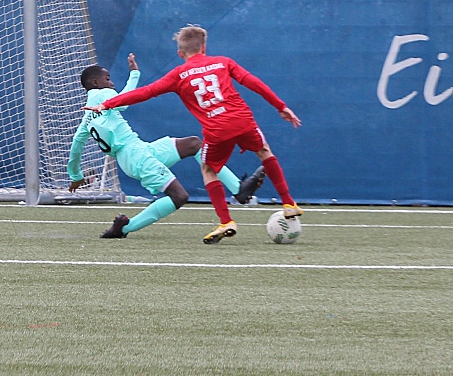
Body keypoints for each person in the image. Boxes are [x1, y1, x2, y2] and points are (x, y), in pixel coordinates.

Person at [88, 25, 302, 244]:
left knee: (208, 170)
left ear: (180, 53)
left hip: (216, 129)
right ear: (204, 47)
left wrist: (107, 104)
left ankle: (226, 221)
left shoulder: (179, 75)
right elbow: (254, 82)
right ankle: (288, 203)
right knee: (264, 152)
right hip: (243, 120)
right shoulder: (223, 62)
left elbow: (145, 92)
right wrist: (281, 106)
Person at [69, 53, 263, 239]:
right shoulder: (102, 95)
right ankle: (125, 228)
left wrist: (76, 176)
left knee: (194, 144)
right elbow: (123, 102)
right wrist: (134, 74)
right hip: (136, 156)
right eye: (107, 79)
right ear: (95, 83)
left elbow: (76, 147)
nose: (111, 83)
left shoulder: (86, 119)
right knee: (179, 196)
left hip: (139, 151)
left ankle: (239, 189)